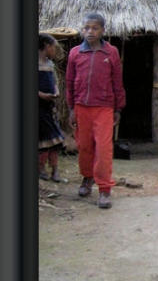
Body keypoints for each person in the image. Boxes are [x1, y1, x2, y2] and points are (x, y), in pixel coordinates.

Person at [66, 13, 126, 209]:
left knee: (103, 148)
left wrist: (118, 107)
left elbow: (117, 81)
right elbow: (69, 82)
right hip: (81, 107)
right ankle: (87, 178)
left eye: (95, 28)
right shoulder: (75, 53)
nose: (90, 32)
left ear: (103, 31)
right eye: (86, 28)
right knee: (84, 146)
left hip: (104, 107)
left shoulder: (111, 53)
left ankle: (104, 189)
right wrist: (71, 108)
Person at [38, 33, 66, 182]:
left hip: (50, 106)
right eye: (54, 47)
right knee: (42, 139)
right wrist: (41, 95)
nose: (54, 50)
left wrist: (56, 91)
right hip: (38, 107)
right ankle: (41, 167)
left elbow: (54, 82)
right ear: (47, 46)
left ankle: (55, 169)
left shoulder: (50, 64)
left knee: (55, 138)